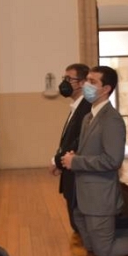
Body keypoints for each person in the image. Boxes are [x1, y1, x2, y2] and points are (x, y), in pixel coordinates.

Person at [61, 66, 128, 256]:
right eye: (86, 80)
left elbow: (113, 160)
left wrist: (76, 161)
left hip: (100, 196)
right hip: (84, 194)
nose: (86, 85)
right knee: (90, 246)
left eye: (92, 82)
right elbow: (90, 151)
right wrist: (75, 156)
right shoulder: (89, 117)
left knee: (104, 252)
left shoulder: (111, 119)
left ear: (106, 89)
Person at [50, 63, 91, 232]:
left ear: (81, 83)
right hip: (69, 168)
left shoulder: (86, 106)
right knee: (75, 220)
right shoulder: (77, 106)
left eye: (69, 79)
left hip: (76, 169)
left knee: (79, 222)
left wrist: (58, 161)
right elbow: (68, 138)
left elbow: (78, 140)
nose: (64, 83)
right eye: (63, 78)